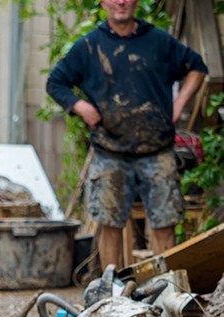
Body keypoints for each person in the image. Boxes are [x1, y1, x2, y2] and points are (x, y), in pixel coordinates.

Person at [46, 0, 207, 269]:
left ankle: (161, 289)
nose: (121, 2)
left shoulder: (158, 41)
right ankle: (114, 292)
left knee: (164, 222)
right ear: (103, 3)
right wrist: (80, 106)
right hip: (110, 151)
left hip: (157, 150)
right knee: (109, 223)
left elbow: (198, 67)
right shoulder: (89, 46)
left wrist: (178, 106)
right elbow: (55, 82)